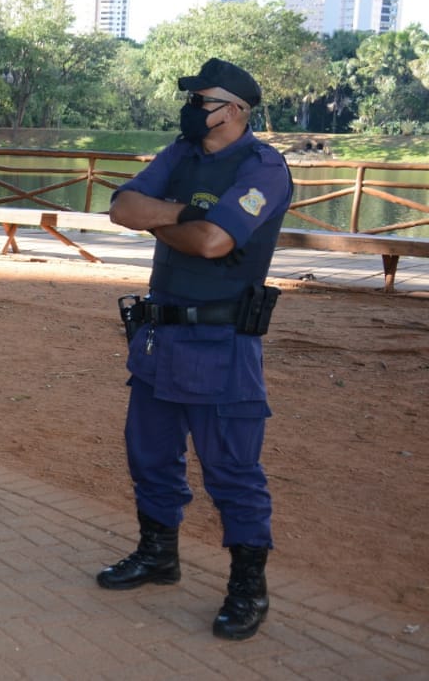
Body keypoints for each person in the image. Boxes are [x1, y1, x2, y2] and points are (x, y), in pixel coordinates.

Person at [98, 58, 293, 642]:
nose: (191, 108)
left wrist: (164, 222)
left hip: (222, 343)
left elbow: (214, 243)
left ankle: (248, 587)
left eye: (201, 99)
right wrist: (187, 213)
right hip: (160, 338)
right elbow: (120, 207)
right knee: (149, 456)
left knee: (232, 471)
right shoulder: (181, 155)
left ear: (234, 110)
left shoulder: (263, 167)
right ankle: (159, 555)